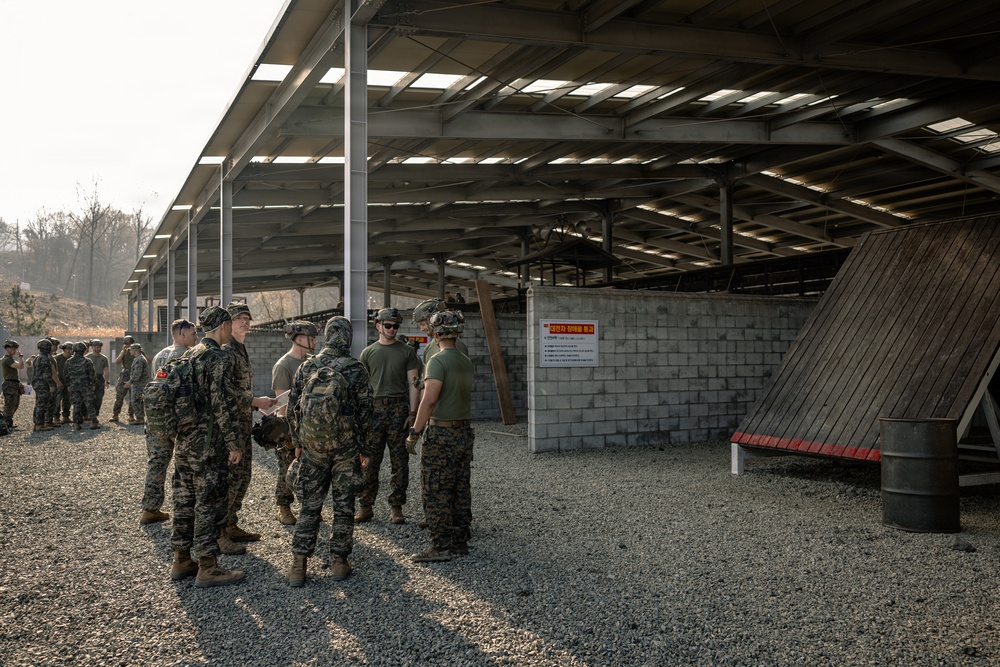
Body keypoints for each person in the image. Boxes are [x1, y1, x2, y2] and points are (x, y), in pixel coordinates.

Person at [285, 316, 374, 586]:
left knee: (310, 506)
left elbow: (292, 409)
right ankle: (339, 562)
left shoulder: (307, 366)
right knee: (343, 506)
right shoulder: (355, 369)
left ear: (326, 335)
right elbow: (366, 413)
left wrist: (298, 443)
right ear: (347, 338)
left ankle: (298, 565)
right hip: (346, 449)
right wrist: (365, 449)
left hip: (313, 448)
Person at [169, 306, 245, 588]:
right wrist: (233, 443)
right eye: (230, 325)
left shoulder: (190, 354)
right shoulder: (217, 356)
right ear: (223, 326)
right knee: (207, 503)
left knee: (183, 500)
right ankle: (208, 567)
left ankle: (181, 560)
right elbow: (219, 403)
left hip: (184, 441)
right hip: (208, 445)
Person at [407, 309, 475, 563]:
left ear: (436, 335)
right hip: (463, 432)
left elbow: (429, 401)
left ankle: (441, 545)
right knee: (460, 487)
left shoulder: (437, 361)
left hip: (441, 434)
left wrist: (414, 432)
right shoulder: (465, 361)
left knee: (436, 489)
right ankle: (460, 541)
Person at [356, 308, 420, 525]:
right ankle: (365, 506)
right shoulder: (368, 353)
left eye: (395, 326)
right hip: (374, 410)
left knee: (400, 461)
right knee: (369, 461)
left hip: (398, 410)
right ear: (378, 326)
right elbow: (362, 387)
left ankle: (396, 507)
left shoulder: (407, 352)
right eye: (388, 325)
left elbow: (413, 384)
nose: (392, 329)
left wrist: (413, 413)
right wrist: (362, 415)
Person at [222, 303, 277, 547]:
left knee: (243, 477)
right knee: (231, 478)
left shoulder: (241, 349)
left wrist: (257, 406)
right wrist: (255, 401)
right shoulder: (226, 351)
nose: (245, 322)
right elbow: (224, 392)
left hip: (243, 423)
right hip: (230, 427)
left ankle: (230, 524)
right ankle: (219, 531)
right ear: (228, 323)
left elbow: (240, 390)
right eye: (239, 318)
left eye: (247, 318)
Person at [140, 320, 197, 526]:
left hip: (156, 418)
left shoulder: (159, 355)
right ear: (182, 334)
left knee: (157, 462)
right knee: (186, 464)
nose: (196, 338)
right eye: (193, 333)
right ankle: (186, 509)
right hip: (178, 419)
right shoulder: (187, 356)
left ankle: (150, 509)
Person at [270, 320, 319, 525]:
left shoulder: (313, 363)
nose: (314, 342)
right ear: (299, 339)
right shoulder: (284, 365)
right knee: (286, 466)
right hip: (290, 426)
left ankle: (309, 507)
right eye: (311, 338)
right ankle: (283, 507)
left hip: (311, 426)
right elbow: (282, 404)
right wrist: (291, 433)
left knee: (312, 469)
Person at [64, 342, 100, 431]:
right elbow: (92, 375)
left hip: (74, 386)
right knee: (89, 404)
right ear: (84, 350)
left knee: (76, 405)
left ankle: (76, 424)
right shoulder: (87, 361)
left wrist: (68, 385)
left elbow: (65, 375)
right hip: (86, 386)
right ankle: (92, 422)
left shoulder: (68, 361)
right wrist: (94, 384)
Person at [30, 339, 60, 433]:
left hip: (37, 383)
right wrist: (51, 385)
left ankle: (37, 423)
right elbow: (47, 374)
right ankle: (39, 425)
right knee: (42, 405)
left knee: (39, 404)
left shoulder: (37, 358)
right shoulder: (45, 358)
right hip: (43, 384)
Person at [111, 335, 136, 422]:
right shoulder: (124, 352)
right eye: (126, 344)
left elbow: (146, 361)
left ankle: (131, 415)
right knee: (119, 395)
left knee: (133, 396)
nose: (128, 345)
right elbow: (117, 362)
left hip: (134, 374)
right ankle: (115, 414)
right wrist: (123, 352)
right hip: (125, 374)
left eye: (129, 344)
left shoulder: (137, 351)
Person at [85, 339, 111, 418]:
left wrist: (107, 381)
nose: (98, 349)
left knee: (99, 398)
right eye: (96, 347)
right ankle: (87, 414)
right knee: (89, 398)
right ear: (92, 347)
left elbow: (106, 370)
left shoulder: (104, 358)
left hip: (99, 378)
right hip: (89, 379)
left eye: (99, 347)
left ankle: (95, 415)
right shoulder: (87, 357)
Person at [125, 343, 149, 425]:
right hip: (138, 384)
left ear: (135, 350)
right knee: (138, 401)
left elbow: (137, 374)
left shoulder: (139, 360)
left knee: (136, 400)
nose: (130, 351)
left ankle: (140, 418)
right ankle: (140, 417)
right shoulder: (138, 358)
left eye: (131, 350)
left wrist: (130, 382)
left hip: (139, 385)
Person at [2, 340, 25, 423]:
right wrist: (20, 356)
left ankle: (8, 422)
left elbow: (21, 366)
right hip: (9, 384)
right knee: (9, 405)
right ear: (8, 349)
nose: (15, 351)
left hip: (13, 383)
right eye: (14, 349)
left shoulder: (10, 359)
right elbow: (20, 366)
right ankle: (4, 423)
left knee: (14, 404)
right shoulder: (7, 359)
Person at [55, 342, 73, 425]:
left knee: (67, 399)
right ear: (64, 349)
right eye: (67, 349)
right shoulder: (57, 358)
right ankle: (56, 417)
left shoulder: (72, 359)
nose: (69, 351)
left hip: (68, 381)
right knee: (57, 399)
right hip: (59, 380)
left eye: (70, 349)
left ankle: (66, 416)